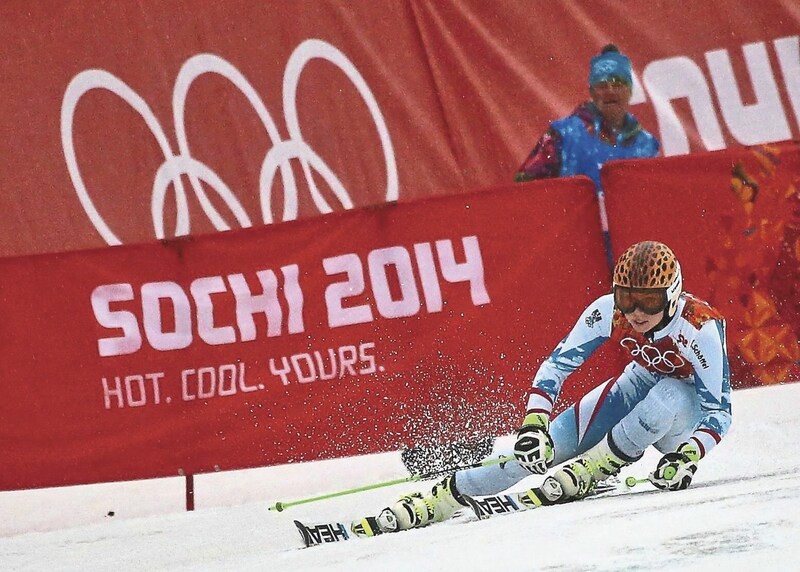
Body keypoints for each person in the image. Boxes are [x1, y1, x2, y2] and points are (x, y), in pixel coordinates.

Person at [365, 241, 731, 533]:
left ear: (671, 295)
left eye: (648, 301)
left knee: (669, 393)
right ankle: (445, 494)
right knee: (540, 450)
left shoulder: (699, 327)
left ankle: (596, 467)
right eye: (626, 297)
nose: (635, 312)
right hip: (639, 383)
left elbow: (719, 412)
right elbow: (556, 366)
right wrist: (534, 424)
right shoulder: (610, 312)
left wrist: (688, 456)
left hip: (683, 417)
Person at [514, 44, 660, 187]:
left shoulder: (647, 145)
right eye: (602, 85)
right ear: (592, 93)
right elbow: (525, 189)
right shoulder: (562, 135)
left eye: (618, 85)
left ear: (629, 91)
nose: (610, 91)